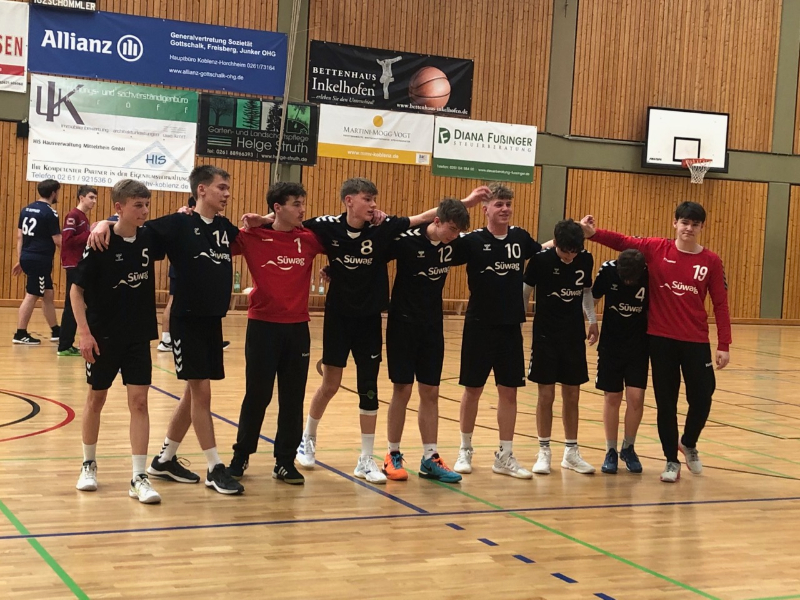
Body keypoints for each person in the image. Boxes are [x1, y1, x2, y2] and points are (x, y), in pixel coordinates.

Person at [289, 178, 490, 484]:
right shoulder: (334, 227)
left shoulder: (386, 230)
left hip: (376, 319)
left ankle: (373, 458)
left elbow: (422, 217)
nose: (373, 204)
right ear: (349, 200)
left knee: (374, 388)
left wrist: (468, 202)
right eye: (367, 199)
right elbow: (287, 218)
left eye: (374, 199)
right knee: (331, 384)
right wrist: (261, 219)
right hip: (346, 317)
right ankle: (308, 438)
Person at [90, 166, 244, 495]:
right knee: (201, 393)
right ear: (201, 190)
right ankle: (215, 467)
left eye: (228, 188)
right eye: (221, 187)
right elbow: (130, 227)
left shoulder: (223, 227)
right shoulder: (177, 223)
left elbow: (250, 236)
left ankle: (164, 459)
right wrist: (102, 222)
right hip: (186, 320)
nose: (227, 193)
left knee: (193, 393)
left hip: (212, 320)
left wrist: (264, 220)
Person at [580, 201, 731, 483]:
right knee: (666, 403)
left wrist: (724, 343)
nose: (689, 228)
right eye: (684, 222)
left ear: (701, 227)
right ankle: (671, 460)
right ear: (675, 223)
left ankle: (688, 442)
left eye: (695, 224)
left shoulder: (711, 260)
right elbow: (622, 241)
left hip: (696, 339)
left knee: (703, 394)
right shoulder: (657, 248)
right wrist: (593, 233)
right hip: (661, 340)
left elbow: (721, 304)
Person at [227, 182, 325, 484]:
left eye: (303, 203)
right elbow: (215, 244)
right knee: (258, 395)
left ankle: (284, 461)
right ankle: (241, 456)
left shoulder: (309, 239)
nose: (303, 210)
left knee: (293, 398)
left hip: (297, 328)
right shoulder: (251, 236)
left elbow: (345, 245)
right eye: (296, 204)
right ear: (278, 207)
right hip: (263, 327)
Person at [73, 179, 164, 504]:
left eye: (147, 204)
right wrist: (84, 333)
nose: (144, 211)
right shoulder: (100, 241)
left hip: (138, 335)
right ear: (119, 207)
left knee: (139, 403)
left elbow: (179, 224)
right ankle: (88, 464)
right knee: (96, 399)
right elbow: (76, 291)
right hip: (103, 336)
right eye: (138, 205)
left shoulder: (149, 237)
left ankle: (139, 477)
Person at [451, 182, 541, 479]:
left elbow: (544, 251)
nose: (505, 209)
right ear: (485, 209)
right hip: (479, 325)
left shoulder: (520, 237)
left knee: (509, 391)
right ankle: (465, 449)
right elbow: (442, 237)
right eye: (499, 204)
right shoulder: (472, 240)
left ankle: (505, 455)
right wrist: (464, 203)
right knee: (472, 390)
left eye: (508, 204)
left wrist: (574, 232)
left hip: (510, 326)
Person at [382, 198, 471, 484]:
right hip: (402, 325)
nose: (454, 236)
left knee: (430, 391)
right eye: (452, 229)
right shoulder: (406, 241)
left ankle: (430, 458)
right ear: (437, 220)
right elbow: (370, 255)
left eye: (459, 231)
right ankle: (392, 454)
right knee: (402, 389)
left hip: (432, 326)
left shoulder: (453, 245)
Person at [523, 220, 598, 476]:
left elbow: (586, 292)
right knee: (546, 396)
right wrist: (519, 322)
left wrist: (592, 320)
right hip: (545, 335)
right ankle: (544, 451)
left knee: (572, 395)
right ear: (555, 243)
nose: (569, 257)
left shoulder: (585, 259)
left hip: (573, 335)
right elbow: (525, 292)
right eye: (565, 252)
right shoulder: (540, 260)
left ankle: (571, 452)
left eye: (574, 252)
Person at [592, 249, 649, 474]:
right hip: (611, 345)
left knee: (636, 397)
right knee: (612, 397)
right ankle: (611, 450)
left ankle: (629, 447)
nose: (628, 282)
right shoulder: (608, 271)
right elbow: (592, 298)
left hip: (639, 346)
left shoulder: (650, 274)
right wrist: (591, 322)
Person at [12, 179, 62, 345]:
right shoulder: (50, 213)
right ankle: (20, 333)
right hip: (40, 259)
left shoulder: (26, 209)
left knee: (48, 293)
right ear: (53, 192)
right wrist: (73, 254)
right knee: (32, 294)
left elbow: (20, 236)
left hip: (28, 256)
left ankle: (56, 330)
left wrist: (21, 259)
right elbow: (57, 239)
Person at [58, 185, 98, 356]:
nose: (94, 201)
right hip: (73, 264)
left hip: (80, 263)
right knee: (72, 305)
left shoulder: (83, 217)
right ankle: (64, 345)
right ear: (81, 198)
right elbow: (67, 240)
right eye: (91, 197)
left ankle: (70, 343)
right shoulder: (73, 215)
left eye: (95, 198)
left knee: (81, 304)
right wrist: (90, 233)